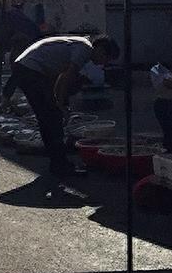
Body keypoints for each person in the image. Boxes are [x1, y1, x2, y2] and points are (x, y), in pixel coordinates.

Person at [9, 33, 120, 175]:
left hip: (26, 67)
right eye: (106, 59)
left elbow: (61, 78)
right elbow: (67, 78)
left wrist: (60, 103)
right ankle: (59, 164)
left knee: (47, 118)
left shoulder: (80, 45)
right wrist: (60, 105)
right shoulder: (85, 49)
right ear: (101, 50)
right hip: (31, 70)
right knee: (52, 118)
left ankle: (57, 161)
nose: (102, 64)